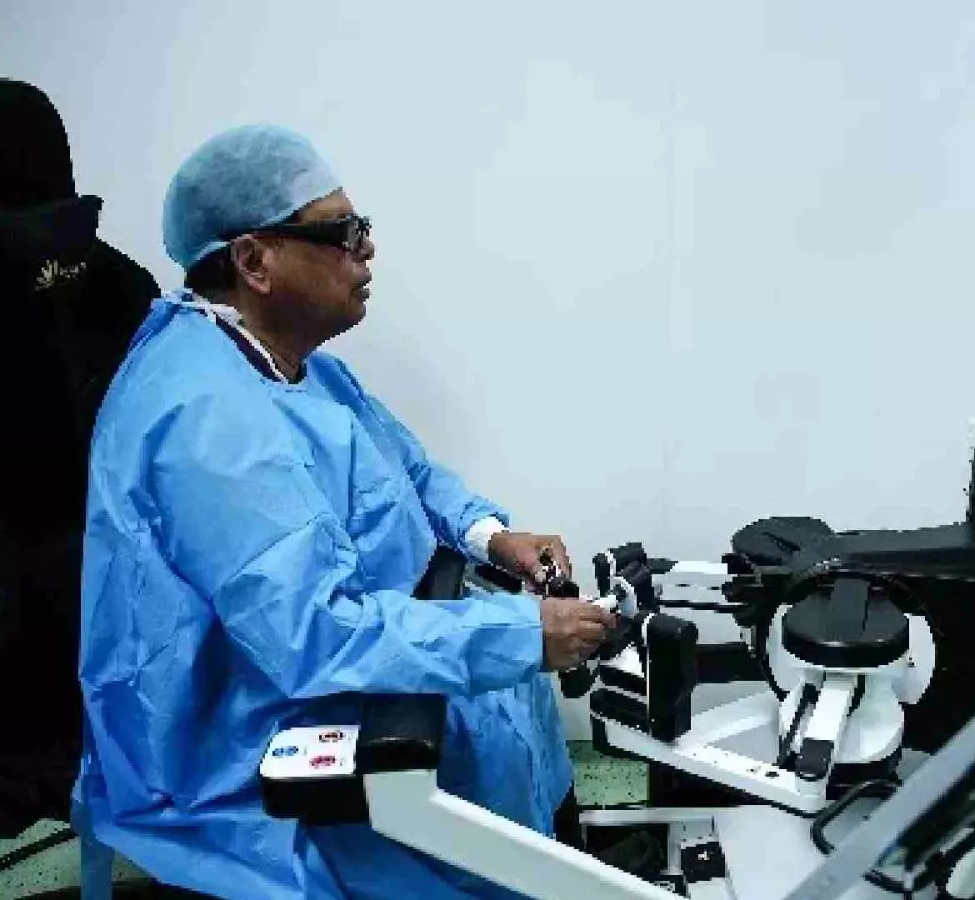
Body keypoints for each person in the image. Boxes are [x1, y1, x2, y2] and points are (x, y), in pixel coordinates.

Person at [76, 124, 615, 899]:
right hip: (253, 755)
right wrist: (523, 634)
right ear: (253, 260)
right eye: (343, 233)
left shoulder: (303, 373)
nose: (367, 251)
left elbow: (410, 474)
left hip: (362, 657)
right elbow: (313, 634)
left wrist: (493, 538)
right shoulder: (207, 421)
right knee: (490, 716)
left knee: (506, 700)